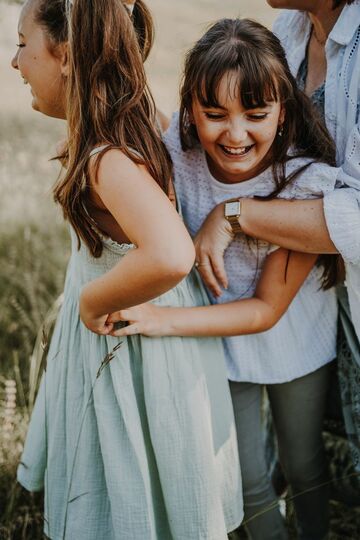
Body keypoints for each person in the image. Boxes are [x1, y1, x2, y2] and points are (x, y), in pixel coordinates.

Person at [12, 1, 243, 538]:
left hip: (132, 340)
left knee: (130, 480)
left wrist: (91, 302)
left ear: (65, 55)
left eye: (23, 43)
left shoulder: (104, 156)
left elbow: (168, 254)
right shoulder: (133, 119)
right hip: (149, 334)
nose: (14, 62)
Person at [109, 18, 342, 540]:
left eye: (256, 115)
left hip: (292, 341)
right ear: (191, 109)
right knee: (245, 478)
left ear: (284, 111)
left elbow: (265, 311)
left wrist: (163, 320)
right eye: (215, 115)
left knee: (303, 465)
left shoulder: (303, 183)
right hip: (214, 342)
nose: (235, 135)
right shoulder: (179, 157)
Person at [192, 0, 360, 475]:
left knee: (307, 459)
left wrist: (234, 214)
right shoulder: (291, 28)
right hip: (314, 300)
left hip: (308, 309)